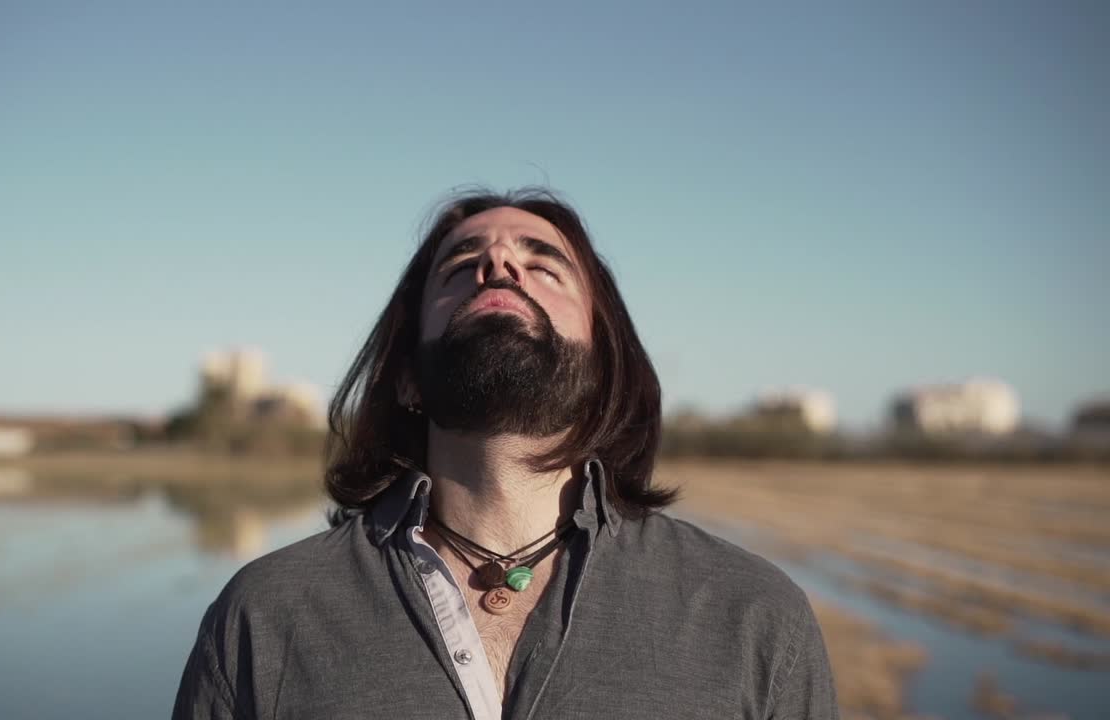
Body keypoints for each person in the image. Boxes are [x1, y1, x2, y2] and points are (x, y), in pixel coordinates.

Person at [173, 188, 839, 720]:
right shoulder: (263, 614)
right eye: (460, 267)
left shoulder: (753, 615)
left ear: (605, 367)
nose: (499, 266)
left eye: (544, 265)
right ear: (404, 373)